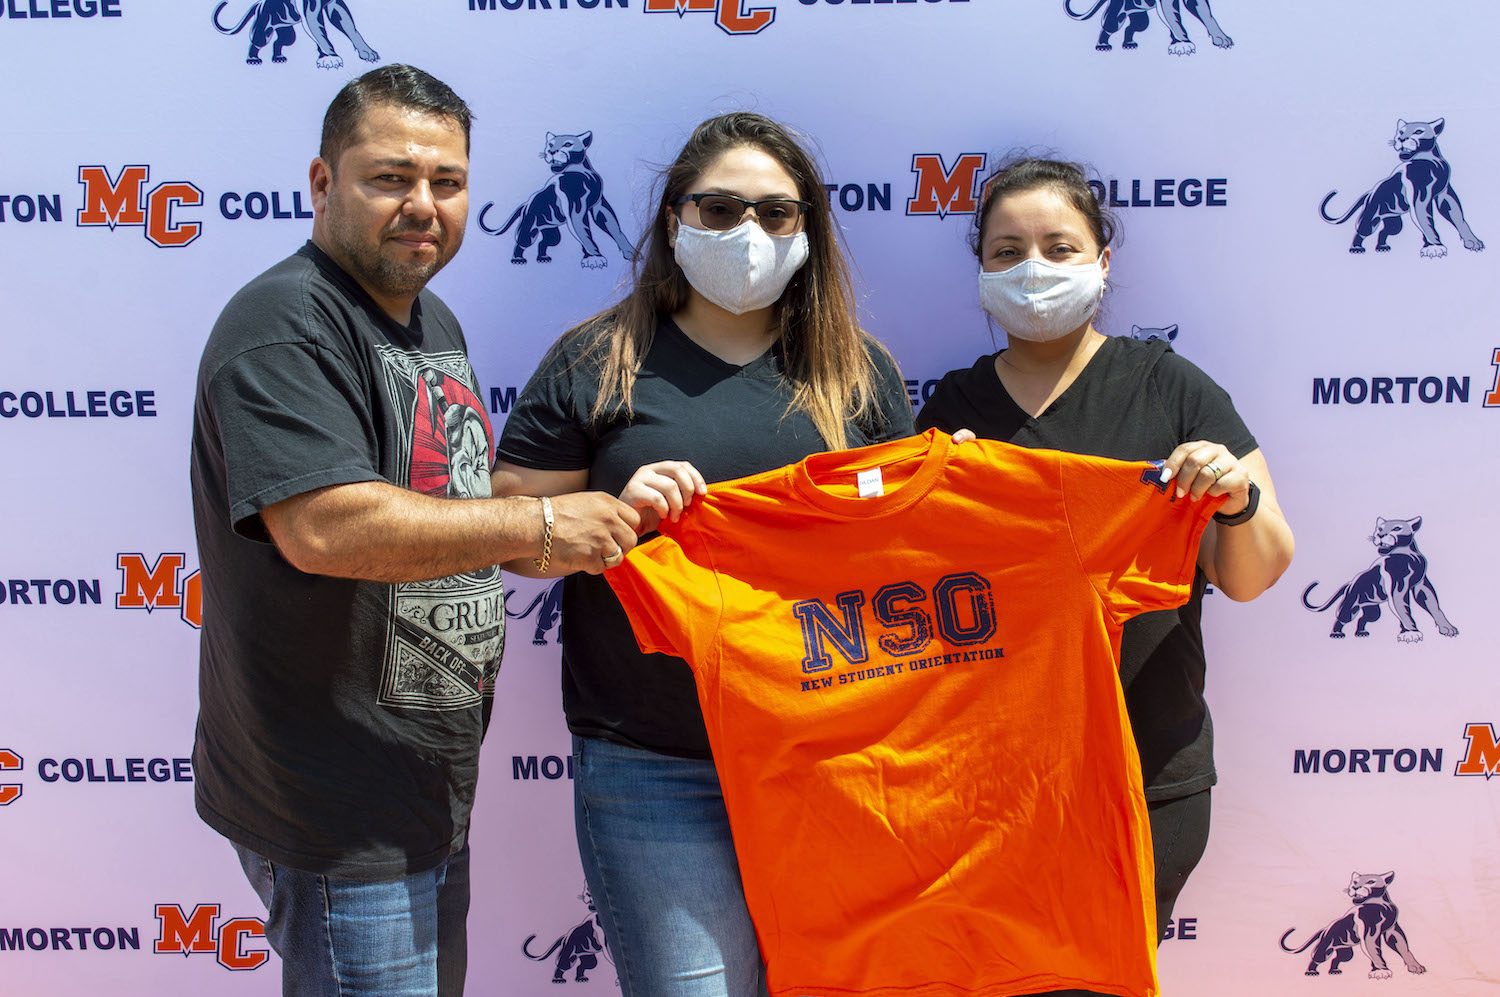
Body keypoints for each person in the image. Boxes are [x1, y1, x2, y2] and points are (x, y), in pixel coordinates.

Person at [189, 64, 640, 997]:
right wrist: (539, 522)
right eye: (391, 178)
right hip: (336, 801)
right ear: (323, 183)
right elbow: (324, 525)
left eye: (447, 180)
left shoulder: (430, 318)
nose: (423, 205)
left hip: (421, 783)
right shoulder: (287, 321)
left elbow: (455, 509)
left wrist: (593, 514)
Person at [491, 111, 916, 997]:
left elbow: (899, 559)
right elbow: (512, 534)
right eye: (719, 210)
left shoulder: (856, 372)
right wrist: (610, 516)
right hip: (656, 766)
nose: (748, 233)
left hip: (829, 757)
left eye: (775, 212)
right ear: (674, 219)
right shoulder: (599, 359)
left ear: (808, 227)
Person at [916, 157, 1295, 954]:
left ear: (1103, 259)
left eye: (1060, 247)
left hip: (1148, 765)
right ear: (981, 270)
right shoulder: (952, 405)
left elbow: (1253, 573)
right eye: (1007, 251)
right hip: (994, 778)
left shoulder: (1170, 388)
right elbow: (912, 592)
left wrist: (1237, 499)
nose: (1033, 269)